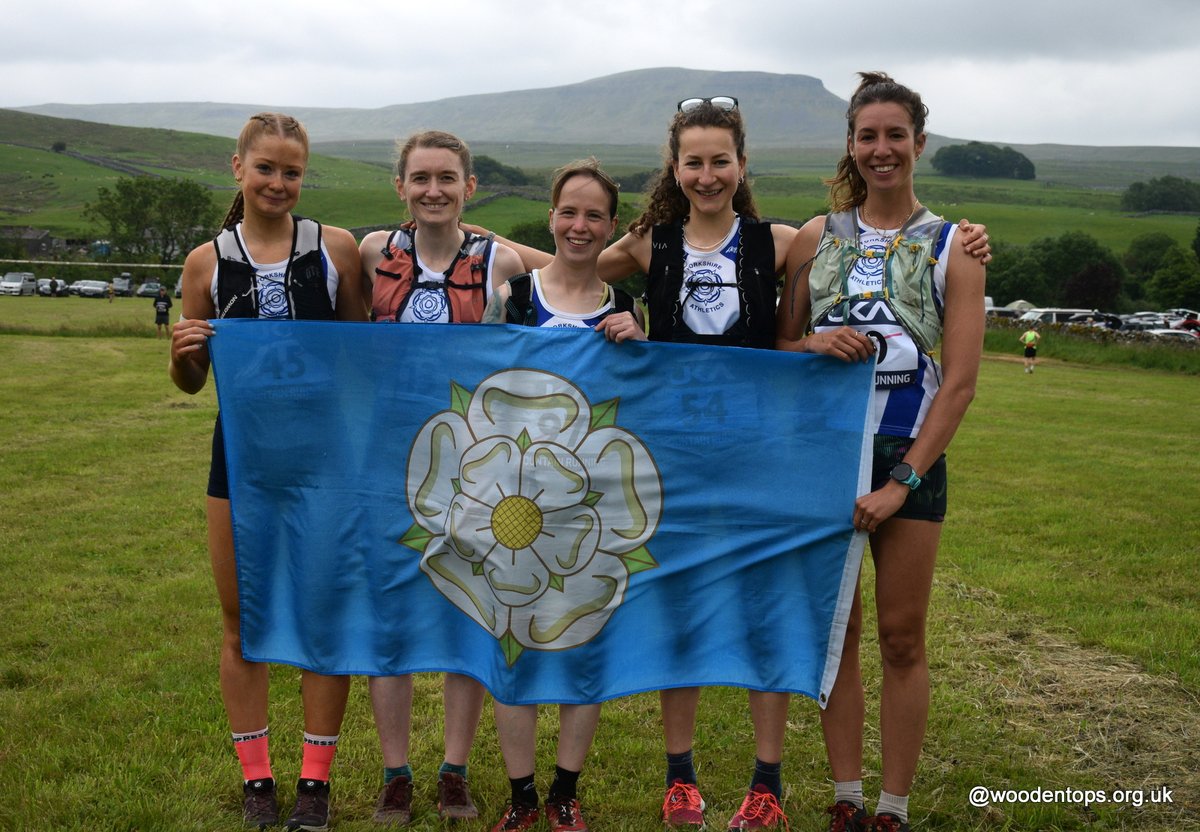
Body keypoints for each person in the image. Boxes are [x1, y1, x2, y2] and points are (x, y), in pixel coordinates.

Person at [473, 96, 989, 831]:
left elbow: (816, 331)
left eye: (721, 160)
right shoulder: (653, 243)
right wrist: (462, 235)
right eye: (694, 161)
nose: (708, 174)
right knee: (684, 610)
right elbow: (571, 262)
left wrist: (966, 236)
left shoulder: (783, 242)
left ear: (742, 166)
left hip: (769, 458)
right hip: (675, 458)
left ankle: (774, 784)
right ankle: (683, 778)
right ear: (675, 169)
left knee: (773, 613)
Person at [777, 72, 986, 832]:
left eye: (895, 135)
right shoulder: (815, 236)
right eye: (868, 136)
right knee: (840, 635)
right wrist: (808, 340)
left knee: (901, 636)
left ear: (919, 143)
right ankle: (847, 796)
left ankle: (893, 808)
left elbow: (958, 385)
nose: (881, 149)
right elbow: (778, 347)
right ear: (851, 145)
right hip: (827, 456)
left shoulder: (955, 246)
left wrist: (902, 481)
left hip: (911, 458)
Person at [169, 112, 368, 831]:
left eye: (291, 172)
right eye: (266, 169)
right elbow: (192, 383)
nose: (278, 182)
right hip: (240, 460)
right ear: (238, 169)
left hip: (323, 462)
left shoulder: (335, 250)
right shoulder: (204, 263)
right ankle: (258, 781)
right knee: (240, 624)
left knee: (322, 619)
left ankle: (315, 782)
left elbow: (363, 361)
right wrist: (183, 350)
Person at [358, 130, 526, 826]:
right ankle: (396, 772)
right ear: (400, 185)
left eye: (447, 179)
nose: (434, 190)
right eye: (420, 178)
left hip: (474, 465)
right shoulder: (372, 254)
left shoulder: (501, 261)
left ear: (469, 186)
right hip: (386, 460)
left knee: (468, 610)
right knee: (388, 617)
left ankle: (453, 770)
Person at [482, 159, 645, 832]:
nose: (580, 226)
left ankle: (565, 794)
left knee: (586, 646)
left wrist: (643, 347)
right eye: (569, 212)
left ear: (611, 227)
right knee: (511, 644)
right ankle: (521, 799)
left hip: (594, 511)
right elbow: (475, 385)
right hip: (509, 506)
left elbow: (646, 407)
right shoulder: (513, 296)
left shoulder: (627, 308)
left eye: (594, 216)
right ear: (551, 216)